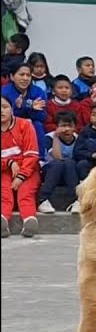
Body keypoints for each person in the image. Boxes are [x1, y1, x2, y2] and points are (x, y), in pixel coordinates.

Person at [1, 94, 40, 238]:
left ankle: (29, 220)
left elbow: (32, 155)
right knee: (4, 193)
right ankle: (2, 221)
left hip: (27, 169)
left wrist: (21, 176)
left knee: (25, 193)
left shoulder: (25, 125)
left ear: (12, 109)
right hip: (3, 170)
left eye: (5, 107)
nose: (1, 111)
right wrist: (9, 163)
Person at [37, 110, 79, 213]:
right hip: (51, 172)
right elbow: (57, 157)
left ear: (74, 127)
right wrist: (56, 137)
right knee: (58, 163)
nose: (66, 129)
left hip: (69, 173)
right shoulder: (49, 138)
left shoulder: (78, 139)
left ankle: (76, 201)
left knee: (69, 163)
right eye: (63, 126)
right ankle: (43, 199)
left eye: (70, 126)